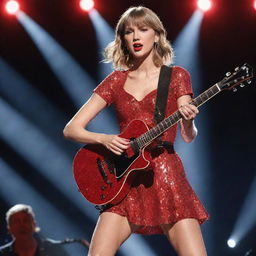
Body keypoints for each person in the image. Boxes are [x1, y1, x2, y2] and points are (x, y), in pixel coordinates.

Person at [63, 6, 209, 256]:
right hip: (124, 181)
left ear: (157, 35)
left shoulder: (176, 76)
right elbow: (71, 129)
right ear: (122, 39)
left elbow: (188, 135)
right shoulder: (115, 81)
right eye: (128, 32)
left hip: (166, 176)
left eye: (143, 29)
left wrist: (188, 121)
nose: (136, 37)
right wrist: (105, 139)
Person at [0, 204, 70, 256]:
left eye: (26, 221)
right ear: (9, 228)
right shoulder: (2, 253)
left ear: (34, 225)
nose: (22, 225)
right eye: (16, 222)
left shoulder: (54, 249)